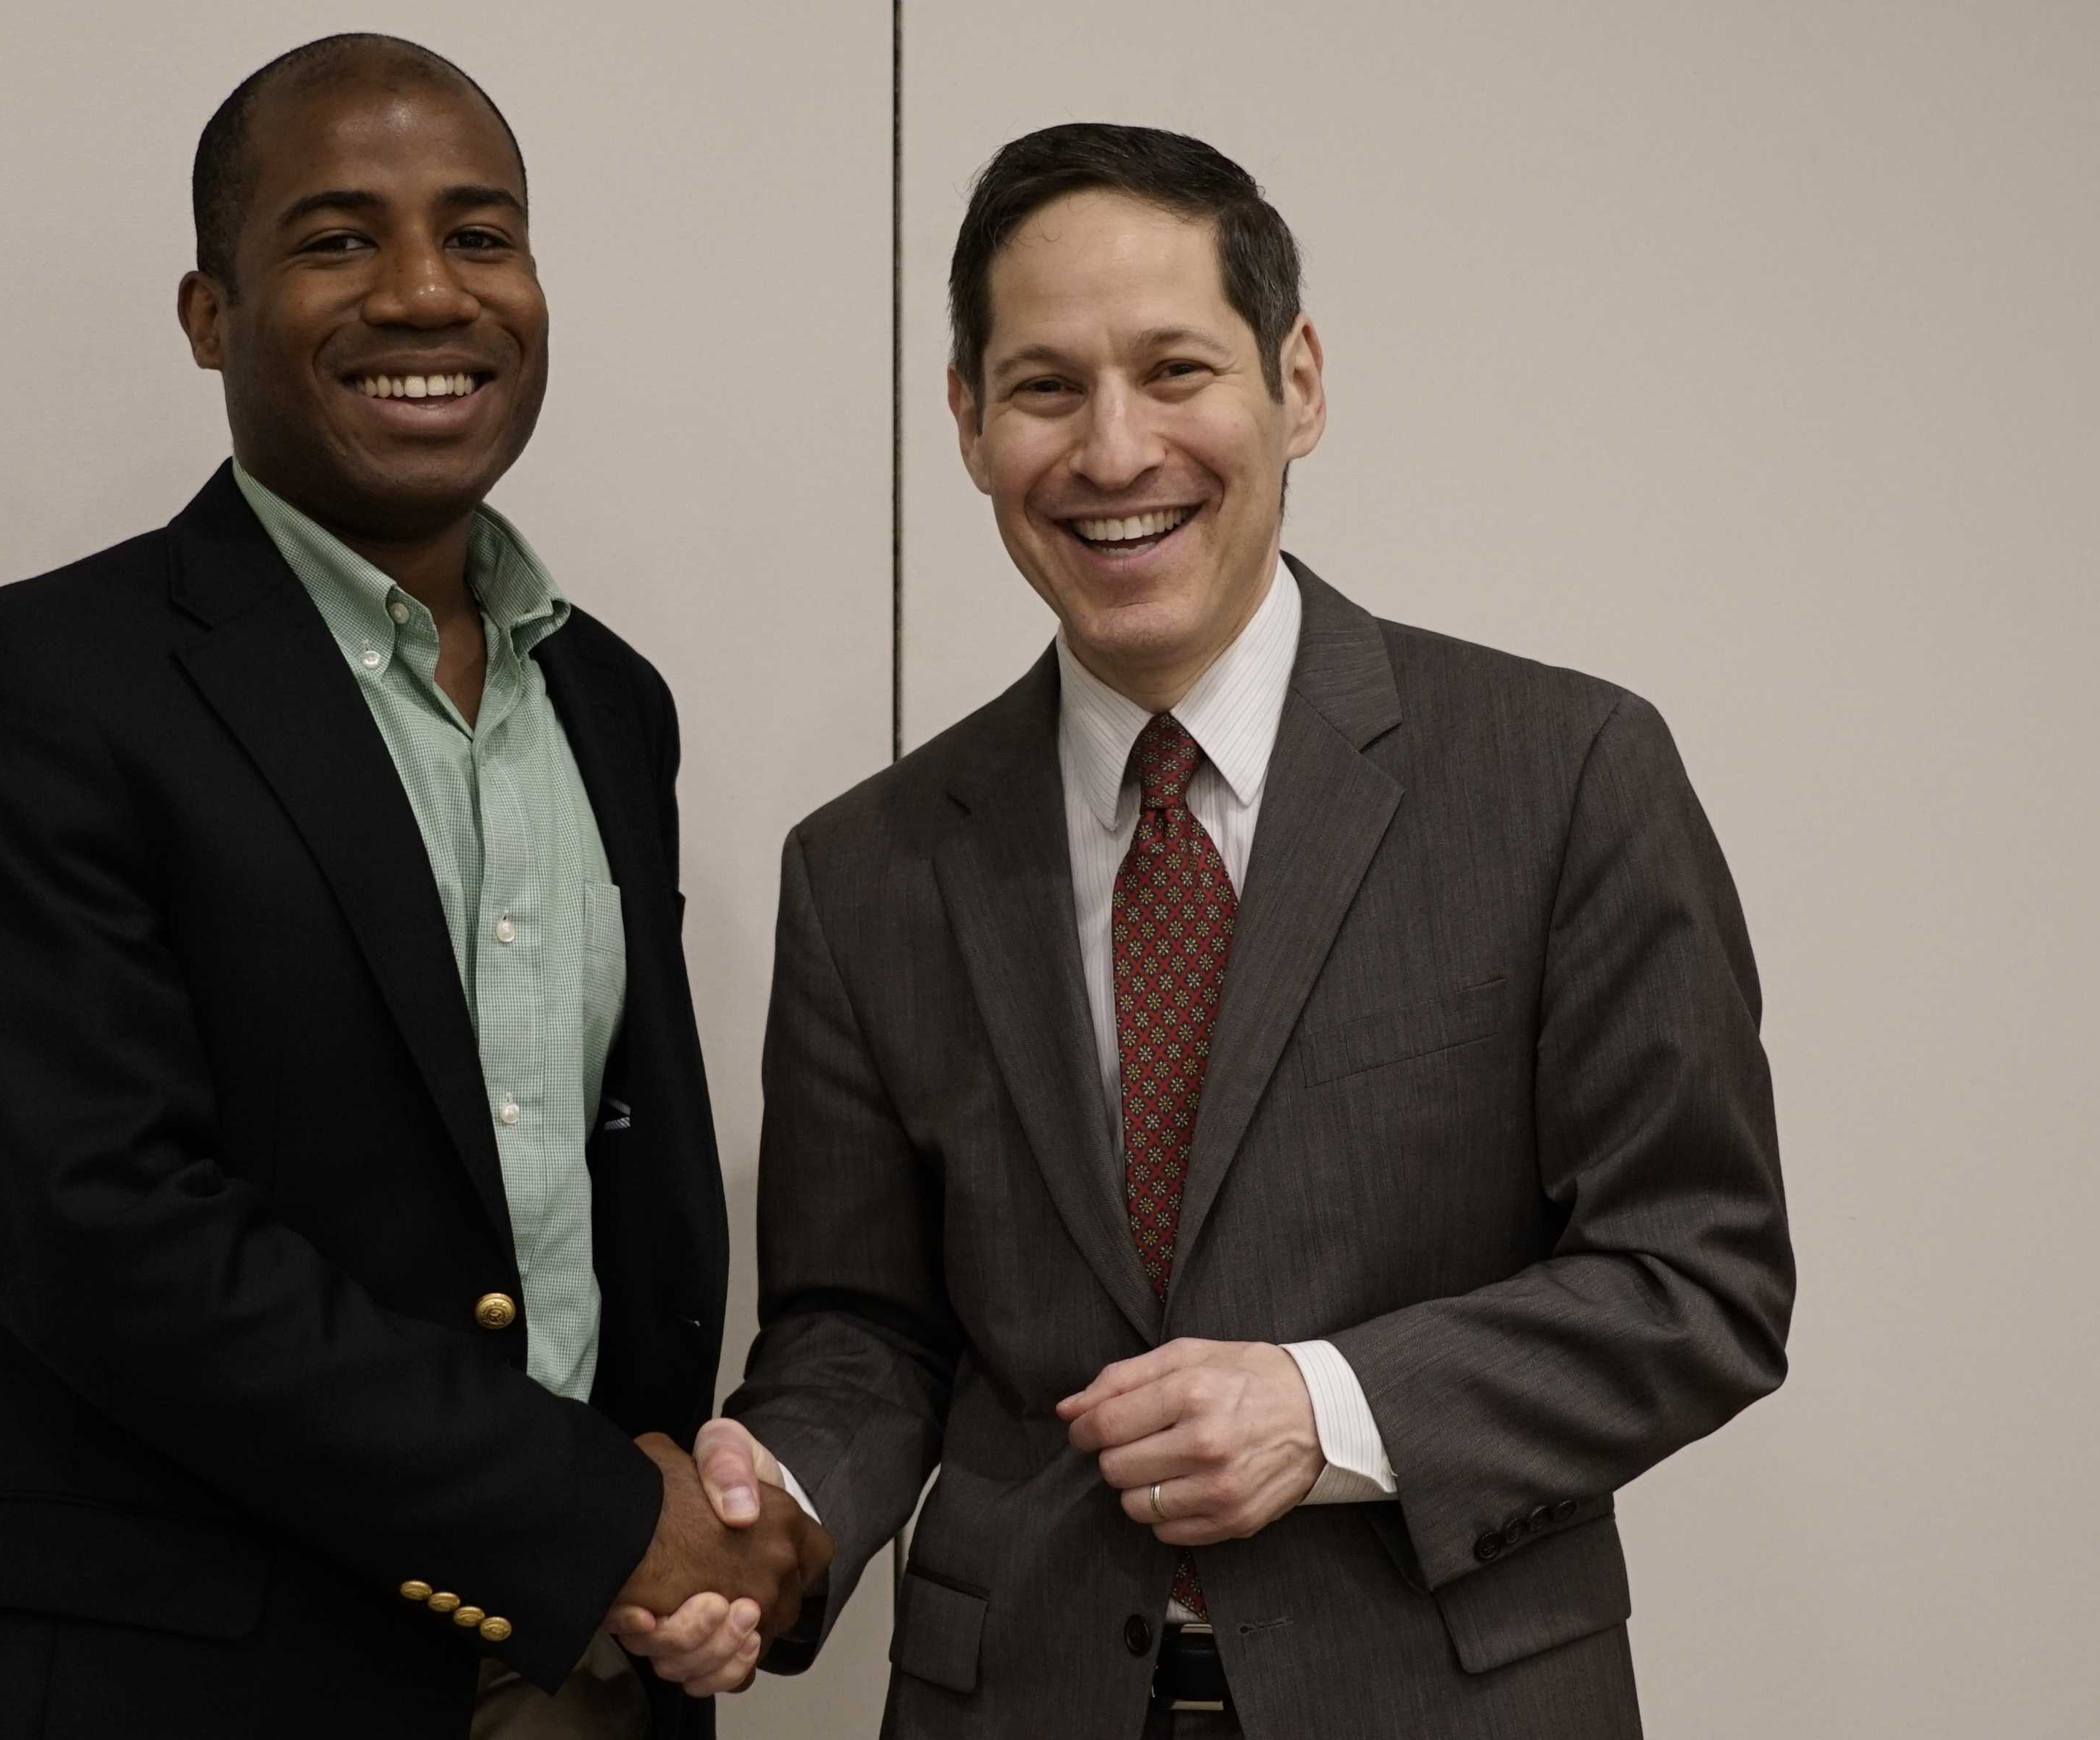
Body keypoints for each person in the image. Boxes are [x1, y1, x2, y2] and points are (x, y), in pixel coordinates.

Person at [626, 123, 1795, 1736]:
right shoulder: (866, 866)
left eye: (1174, 370)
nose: (1113, 452)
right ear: (966, 421)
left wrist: (1330, 1407)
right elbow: (863, 1326)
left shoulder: (1563, 775)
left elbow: (1700, 1274)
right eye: (1043, 387)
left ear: (1293, 382)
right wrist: (784, 1510)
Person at [0, 34, 826, 1739]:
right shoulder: (25, 687)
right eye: (332, 239)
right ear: (207, 314)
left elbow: (613, 1208)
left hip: (583, 1678)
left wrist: (700, 1527)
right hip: (185, 1693)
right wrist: (597, 1517)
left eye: (478, 234)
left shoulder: (611, 699)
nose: (421, 294)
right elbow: (106, 1238)